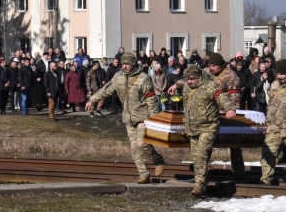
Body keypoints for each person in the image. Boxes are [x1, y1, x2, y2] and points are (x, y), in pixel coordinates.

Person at [85, 53, 165, 183]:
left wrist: (154, 120)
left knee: (143, 144)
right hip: (128, 118)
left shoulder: (143, 78)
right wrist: (92, 100)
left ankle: (157, 159)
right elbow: (106, 89)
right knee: (134, 148)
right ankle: (144, 173)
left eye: (127, 64)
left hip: (143, 117)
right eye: (123, 64)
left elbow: (151, 100)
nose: (124, 66)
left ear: (133, 64)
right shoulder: (119, 77)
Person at [169, 52, 246, 178]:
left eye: (214, 66)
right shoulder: (206, 72)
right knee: (206, 144)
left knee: (234, 144)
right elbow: (191, 79)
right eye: (210, 65)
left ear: (221, 65)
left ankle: (239, 171)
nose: (211, 68)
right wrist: (176, 84)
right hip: (207, 112)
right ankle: (200, 164)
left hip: (225, 113)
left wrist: (231, 111)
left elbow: (234, 98)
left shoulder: (231, 76)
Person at [178, 65, 237, 196]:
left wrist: (229, 108)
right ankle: (201, 180)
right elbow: (187, 106)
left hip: (208, 127)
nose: (189, 81)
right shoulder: (187, 87)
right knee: (196, 157)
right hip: (193, 128)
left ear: (199, 77)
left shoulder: (210, 86)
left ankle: (200, 185)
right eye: (188, 79)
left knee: (201, 155)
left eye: (192, 79)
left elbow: (221, 97)